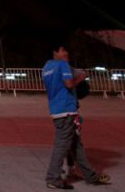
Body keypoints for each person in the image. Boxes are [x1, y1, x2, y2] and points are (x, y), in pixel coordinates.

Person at [43, 43, 111, 189]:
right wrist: (81, 77)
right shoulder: (63, 65)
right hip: (67, 110)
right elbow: (69, 84)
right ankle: (53, 178)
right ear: (55, 52)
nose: (66, 52)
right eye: (63, 50)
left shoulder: (47, 67)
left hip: (56, 109)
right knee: (62, 146)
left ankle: (90, 176)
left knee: (76, 146)